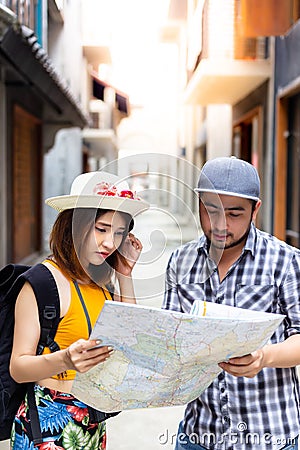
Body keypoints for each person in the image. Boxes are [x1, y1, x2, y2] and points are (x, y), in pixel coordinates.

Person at [163, 156, 300, 450]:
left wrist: (264, 357)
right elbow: (166, 337)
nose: (220, 224)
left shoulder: (286, 262)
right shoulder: (180, 261)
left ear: (255, 210)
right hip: (198, 435)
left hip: (270, 436)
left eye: (234, 213)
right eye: (210, 210)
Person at [10, 170, 149, 449]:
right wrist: (66, 360)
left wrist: (125, 274)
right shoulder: (42, 281)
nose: (110, 243)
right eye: (101, 229)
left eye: (119, 233)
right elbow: (18, 367)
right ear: (75, 225)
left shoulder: (100, 283)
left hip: (94, 423)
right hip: (47, 428)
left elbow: (129, 339)